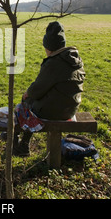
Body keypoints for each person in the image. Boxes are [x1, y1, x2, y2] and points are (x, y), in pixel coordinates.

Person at [14, 21, 86, 156]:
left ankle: (21, 143)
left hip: (54, 111)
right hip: (71, 109)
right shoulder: (75, 59)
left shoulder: (54, 63)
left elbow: (37, 90)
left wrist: (27, 93)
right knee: (33, 101)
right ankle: (20, 141)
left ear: (49, 47)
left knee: (24, 105)